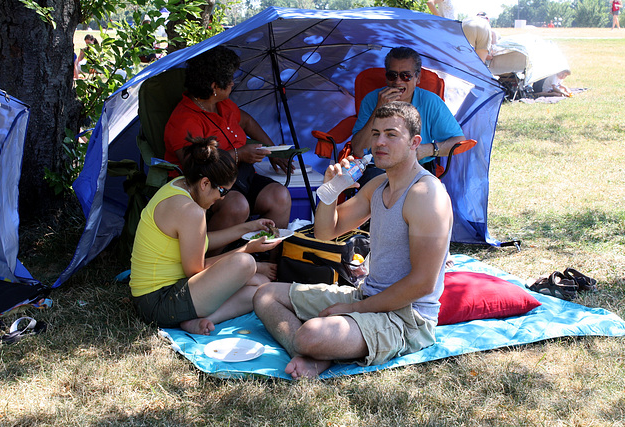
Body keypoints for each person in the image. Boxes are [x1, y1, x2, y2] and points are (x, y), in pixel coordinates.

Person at [253, 102, 453, 379]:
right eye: (375, 134)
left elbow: (423, 283)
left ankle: (315, 348)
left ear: (414, 143)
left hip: (407, 318)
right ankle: (311, 354)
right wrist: (331, 189)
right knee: (265, 295)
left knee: (311, 333)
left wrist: (353, 309)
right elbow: (325, 232)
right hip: (368, 295)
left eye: (391, 135)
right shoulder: (378, 185)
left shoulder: (426, 194)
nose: (379, 142)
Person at [130, 135, 282, 335]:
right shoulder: (190, 210)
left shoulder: (180, 186)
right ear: (204, 183)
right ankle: (187, 318)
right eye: (222, 191)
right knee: (245, 263)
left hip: (153, 295)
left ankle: (200, 319)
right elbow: (196, 271)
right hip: (157, 302)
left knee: (261, 288)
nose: (221, 198)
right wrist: (246, 249)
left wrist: (248, 227)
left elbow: (200, 241)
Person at [164, 46, 292, 241]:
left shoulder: (223, 105)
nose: (233, 83)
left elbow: (247, 122)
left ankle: (270, 260)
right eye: (229, 80)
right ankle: (206, 259)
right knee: (238, 206)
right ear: (214, 86)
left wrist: (273, 150)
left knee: (280, 196)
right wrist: (239, 154)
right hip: (205, 185)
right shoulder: (184, 120)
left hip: (241, 177)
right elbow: (195, 165)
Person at [350, 47, 465, 183]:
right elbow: (358, 149)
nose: (398, 81)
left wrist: (428, 149)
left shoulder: (431, 102)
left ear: (417, 78)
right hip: (378, 168)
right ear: (386, 77)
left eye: (406, 76)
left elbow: (459, 142)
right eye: (392, 75)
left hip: (418, 167)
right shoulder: (372, 100)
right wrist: (378, 109)